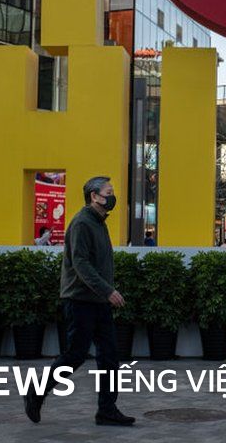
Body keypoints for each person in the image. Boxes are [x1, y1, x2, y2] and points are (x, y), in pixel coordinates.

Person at [23, 176, 135, 427]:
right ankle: (36, 392)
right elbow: (81, 264)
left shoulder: (98, 223)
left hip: (98, 301)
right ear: (94, 196)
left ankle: (107, 410)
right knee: (75, 355)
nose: (113, 196)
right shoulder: (82, 223)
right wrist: (107, 290)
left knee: (110, 356)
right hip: (80, 300)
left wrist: (105, 293)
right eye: (108, 192)